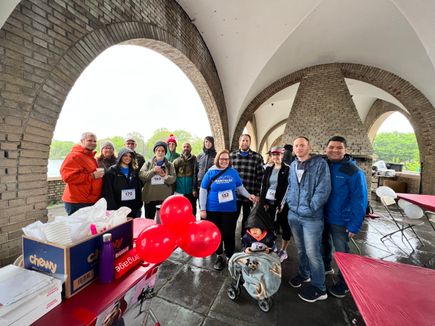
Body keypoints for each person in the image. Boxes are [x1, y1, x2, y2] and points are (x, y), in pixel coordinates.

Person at [286, 136, 331, 303]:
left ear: (309, 147)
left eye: (302, 145)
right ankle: (304, 274)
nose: (299, 148)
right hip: (294, 214)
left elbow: (324, 189)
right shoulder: (293, 165)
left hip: (312, 217)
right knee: (300, 249)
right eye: (296, 146)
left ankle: (320, 288)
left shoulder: (320, 164)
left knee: (313, 252)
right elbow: (291, 186)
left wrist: (311, 207)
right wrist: (290, 204)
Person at [322, 136, 367, 298]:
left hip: (341, 219)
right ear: (326, 149)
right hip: (322, 216)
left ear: (345, 150)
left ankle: (344, 282)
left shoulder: (353, 171)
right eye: (331, 147)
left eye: (339, 147)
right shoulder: (324, 165)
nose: (334, 150)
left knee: (342, 252)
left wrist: (354, 224)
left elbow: (359, 199)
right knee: (324, 245)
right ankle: (326, 266)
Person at [199, 149, 256, 271]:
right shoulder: (210, 172)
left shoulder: (233, 172)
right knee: (217, 233)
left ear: (229, 160)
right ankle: (220, 256)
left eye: (226, 159)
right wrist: (202, 209)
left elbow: (240, 187)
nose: (224, 161)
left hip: (229, 209)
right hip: (213, 208)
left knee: (229, 233)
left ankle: (230, 256)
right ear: (217, 159)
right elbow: (203, 190)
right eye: (221, 159)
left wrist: (249, 195)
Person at [60, 132, 104, 215]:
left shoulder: (89, 157)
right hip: (77, 202)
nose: (93, 143)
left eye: (95, 141)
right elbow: (67, 177)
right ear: (82, 141)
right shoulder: (74, 156)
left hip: (88, 200)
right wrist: (93, 176)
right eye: (90, 140)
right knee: (77, 227)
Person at [260, 146, 291, 262]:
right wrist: (263, 202)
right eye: (273, 155)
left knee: (284, 226)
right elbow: (264, 186)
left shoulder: (287, 169)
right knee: (270, 225)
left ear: (282, 155)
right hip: (269, 202)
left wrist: (281, 204)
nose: (275, 157)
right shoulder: (268, 168)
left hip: (282, 204)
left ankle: (284, 250)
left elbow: (287, 188)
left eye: (278, 155)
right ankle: (272, 246)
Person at [230, 134, 264, 237]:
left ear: (250, 142)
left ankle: (244, 237)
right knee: (233, 217)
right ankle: (230, 237)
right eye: (243, 140)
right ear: (239, 141)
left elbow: (260, 177)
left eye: (247, 140)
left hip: (250, 194)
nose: (245, 142)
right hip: (234, 194)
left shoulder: (257, 157)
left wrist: (258, 194)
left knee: (247, 218)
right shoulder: (232, 156)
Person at [102, 148, 143, 218]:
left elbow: (138, 189)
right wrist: (113, 210)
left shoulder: (134, 171)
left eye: (130, 156)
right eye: (125, 156)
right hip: (118, 209)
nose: (128, 158)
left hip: (133, 209)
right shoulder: (112, 171)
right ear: (120, 156)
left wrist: (138, 206)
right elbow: (108, 193)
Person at [140, 141, 176, 219]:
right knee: (149, 220)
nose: (160, 153)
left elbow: (173, 179)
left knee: (163, 221)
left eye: (162, 151)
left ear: (165, 152)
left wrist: (164, 176)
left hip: (164, 198)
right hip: (150, 198)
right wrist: (153, 171)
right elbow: (141, 175)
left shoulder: (169, 165)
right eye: (158, 150)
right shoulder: (148, 163)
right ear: (155, 152)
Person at [173, 142, 198, 215]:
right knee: (179, 211)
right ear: (182, 148)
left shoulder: (194, 159)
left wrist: (194, 189)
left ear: (190, 149)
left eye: (187, 147)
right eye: (184, 147)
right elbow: (173, 175)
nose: (186, 148)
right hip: (179, 191)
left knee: (192, 210)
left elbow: (196, 174)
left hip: (191, 192)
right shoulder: (176, 161)